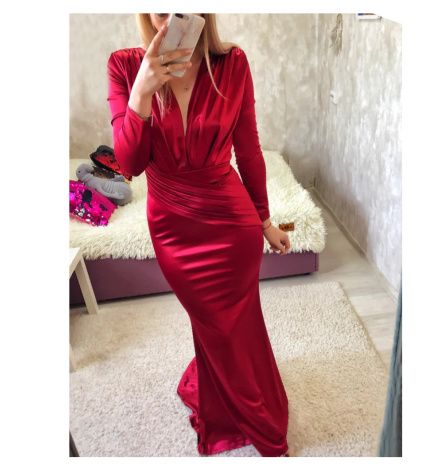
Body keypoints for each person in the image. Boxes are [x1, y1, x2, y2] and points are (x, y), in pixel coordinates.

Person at [107, 13, 291, 457]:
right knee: (214, 327)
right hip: (173, 230)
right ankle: (241, 412)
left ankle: (261, 428)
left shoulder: (232, 63)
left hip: (233, 225)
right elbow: (130, 165)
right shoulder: (125, 66)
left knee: (239, 325)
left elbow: (248, 149)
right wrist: (142, 92)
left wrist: (265, 221)